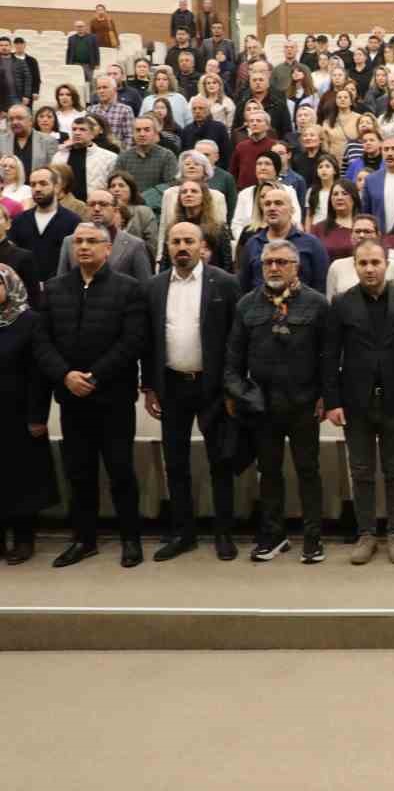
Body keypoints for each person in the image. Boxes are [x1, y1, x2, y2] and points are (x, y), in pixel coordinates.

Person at [35, 222, 148, 568]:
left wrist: (94, 376)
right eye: (78, 242)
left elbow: (132, 343)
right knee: (79, 472)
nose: (83, 247)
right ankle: (84, 539)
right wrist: (66, 376)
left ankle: (131, 539)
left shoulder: (128, 289)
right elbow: (41, 342)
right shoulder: (53, 289)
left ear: (108, 249)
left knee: (120, 470)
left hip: (112, 397)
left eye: (91, 241)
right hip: (71, 399)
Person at [323, 239, 394, 566]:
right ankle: (366, 533)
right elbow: (330, 356)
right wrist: (333, 401)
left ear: (387, 264)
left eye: (375, 263)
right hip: (356, 400)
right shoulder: (341, 304)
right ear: (355, 266)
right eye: (363, 263)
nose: (370, 269)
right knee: (361, 470)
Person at [225, 239, 331, 563]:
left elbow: (328, 358)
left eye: (281, 262)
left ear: (295, 267)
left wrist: (327, 396)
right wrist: (239, 395)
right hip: (262, 405)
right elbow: (232, 360)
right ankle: (273, 536)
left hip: (303, 403)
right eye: (268, 262)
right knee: (268, 472)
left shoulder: (316, 305)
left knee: (308, 471)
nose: (273, 268)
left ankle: (313, 538)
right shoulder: (246, 305)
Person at [140, 222, 241, 561]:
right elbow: (147, 342)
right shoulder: (153, 287)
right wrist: (149, 386)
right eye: (176, 241)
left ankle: (224, 533)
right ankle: (183, 533)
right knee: (176, 463)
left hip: (213, 388)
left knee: (220, 462)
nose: (181, 247)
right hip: (171, 386)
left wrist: (232, 388)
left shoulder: (225, 284)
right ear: (167, 246)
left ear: (203, 246)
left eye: (188, 241)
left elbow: (236, 341)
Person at [0, 263, 58, 565]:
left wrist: (38, 416)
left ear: (9, 287)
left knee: (21, 480)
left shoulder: (29, 321)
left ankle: (24, 539)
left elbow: (39, 375)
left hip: (20, 415)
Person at [13, 167, 82, 277]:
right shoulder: (19, 221)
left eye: (43, 183)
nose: (37, 188)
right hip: (26, 287)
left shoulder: (72, 221)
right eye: (33, 184)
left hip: (59, 288)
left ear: (56, 187)